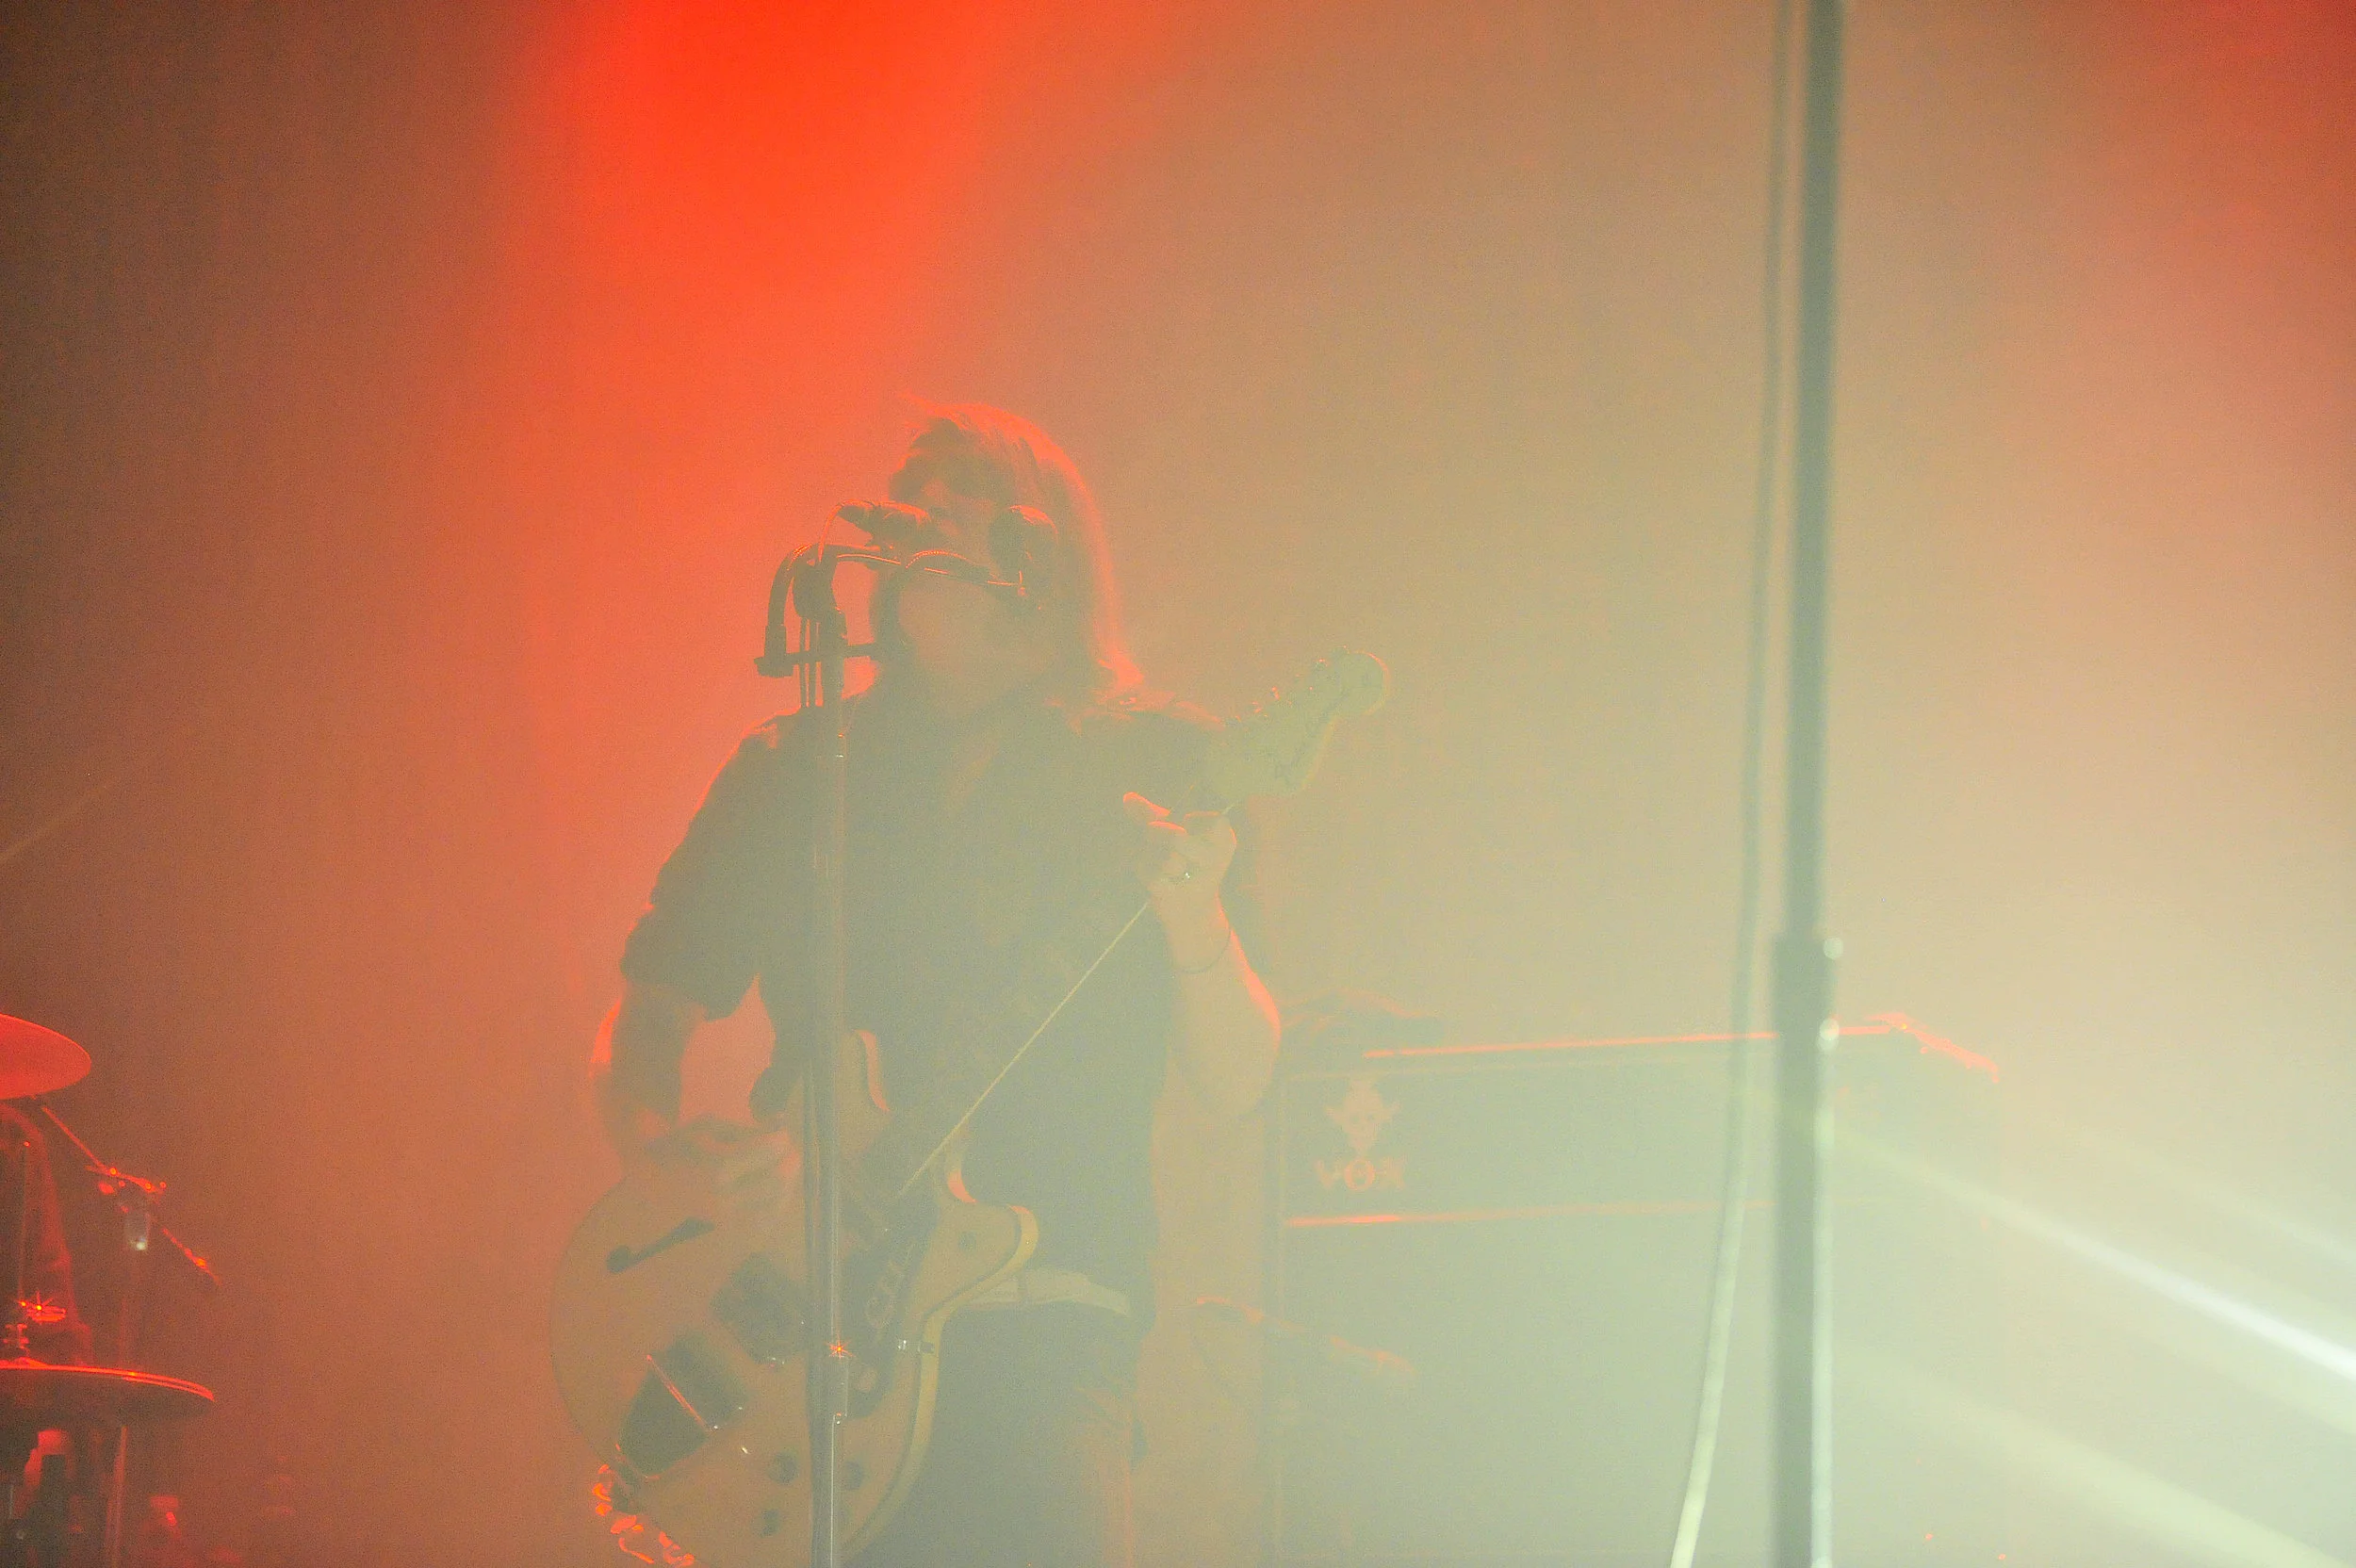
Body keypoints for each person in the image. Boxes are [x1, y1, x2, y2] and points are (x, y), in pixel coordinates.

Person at [590, 403, 1282, 1568]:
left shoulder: (1160, 758)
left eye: (965, 491)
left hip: (1042, 1318)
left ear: (1042, 547)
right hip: (799, 1334)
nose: (926, 510)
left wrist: (1194, 916)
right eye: (913, 495)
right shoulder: (796, 768)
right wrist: (655, 1150)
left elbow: (1240, 1076)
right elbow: (651, 1006)